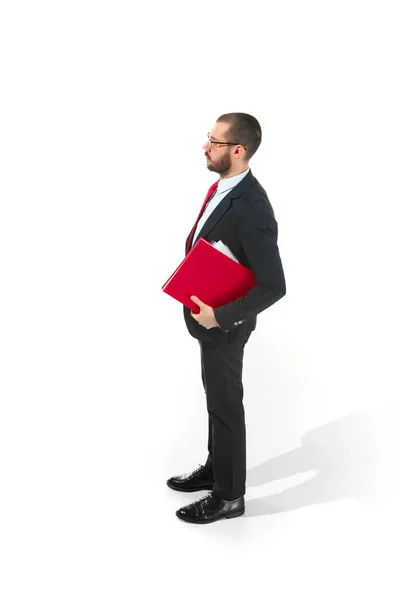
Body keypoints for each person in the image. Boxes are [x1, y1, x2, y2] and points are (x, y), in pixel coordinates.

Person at [167, 112, 286, 524]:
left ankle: (230, 496)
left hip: (225, 323)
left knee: (226, 406)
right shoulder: (224, 187)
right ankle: (216, 469)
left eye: (214, 142)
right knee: (215, 400)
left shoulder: (253, 205)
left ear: (238, 150)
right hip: (208, 315)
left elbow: (274, 285)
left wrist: (221, 317)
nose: (205, 146)